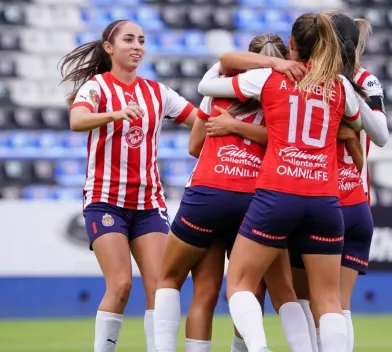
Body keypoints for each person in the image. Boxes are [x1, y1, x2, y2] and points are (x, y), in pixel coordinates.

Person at [198, 12, 364, 352]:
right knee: (328, 300)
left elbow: (208, 83)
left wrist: (271, 67)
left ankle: (259, 348)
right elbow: (364, 125)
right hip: (325, 200)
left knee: (241, 283)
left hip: (278, 194)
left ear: (291, 45)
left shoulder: (265, 79)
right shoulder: (340, 86)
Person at [153, 33, 311, 352]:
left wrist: (231, 135)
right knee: (267, 291)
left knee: (184, 284)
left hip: (209, 194)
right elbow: (293, 145)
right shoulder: (289, 95)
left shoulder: (219, 89)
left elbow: (194, 145)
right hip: (260, 200)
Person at [59, 19, 197, 352]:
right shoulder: (97, 87)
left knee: (161, 287)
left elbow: (200, 120)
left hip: (149, 204)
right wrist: (115, 114)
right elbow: (77, 120)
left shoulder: (157, 92)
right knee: (120, 285)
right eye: (129, 40)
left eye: (142, 40)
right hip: (105, 201)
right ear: (109, 47)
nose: (137, 46)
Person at [288, 13, 389, 352]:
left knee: (307, 301)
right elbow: (382, 134)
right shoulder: (365, 80)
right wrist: (355, 126)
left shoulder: (312, 80)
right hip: (357, 201)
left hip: (317, 199)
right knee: (338, 305)